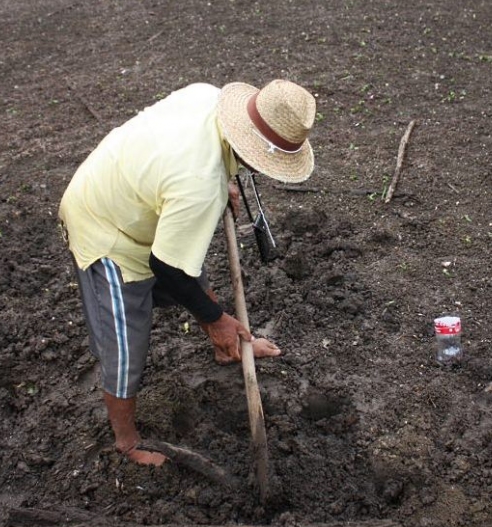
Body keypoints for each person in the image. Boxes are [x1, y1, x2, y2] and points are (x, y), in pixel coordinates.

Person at [58, 79, 317, 466]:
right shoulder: (199, 187)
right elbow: (167, 269)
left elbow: (181, 256)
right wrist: (218, 320)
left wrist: (222, 177)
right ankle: (126, 442)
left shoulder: (206, 96)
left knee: (189, 262)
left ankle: (225, 347)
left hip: (137, 191)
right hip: (105, 226)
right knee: (126, 342)